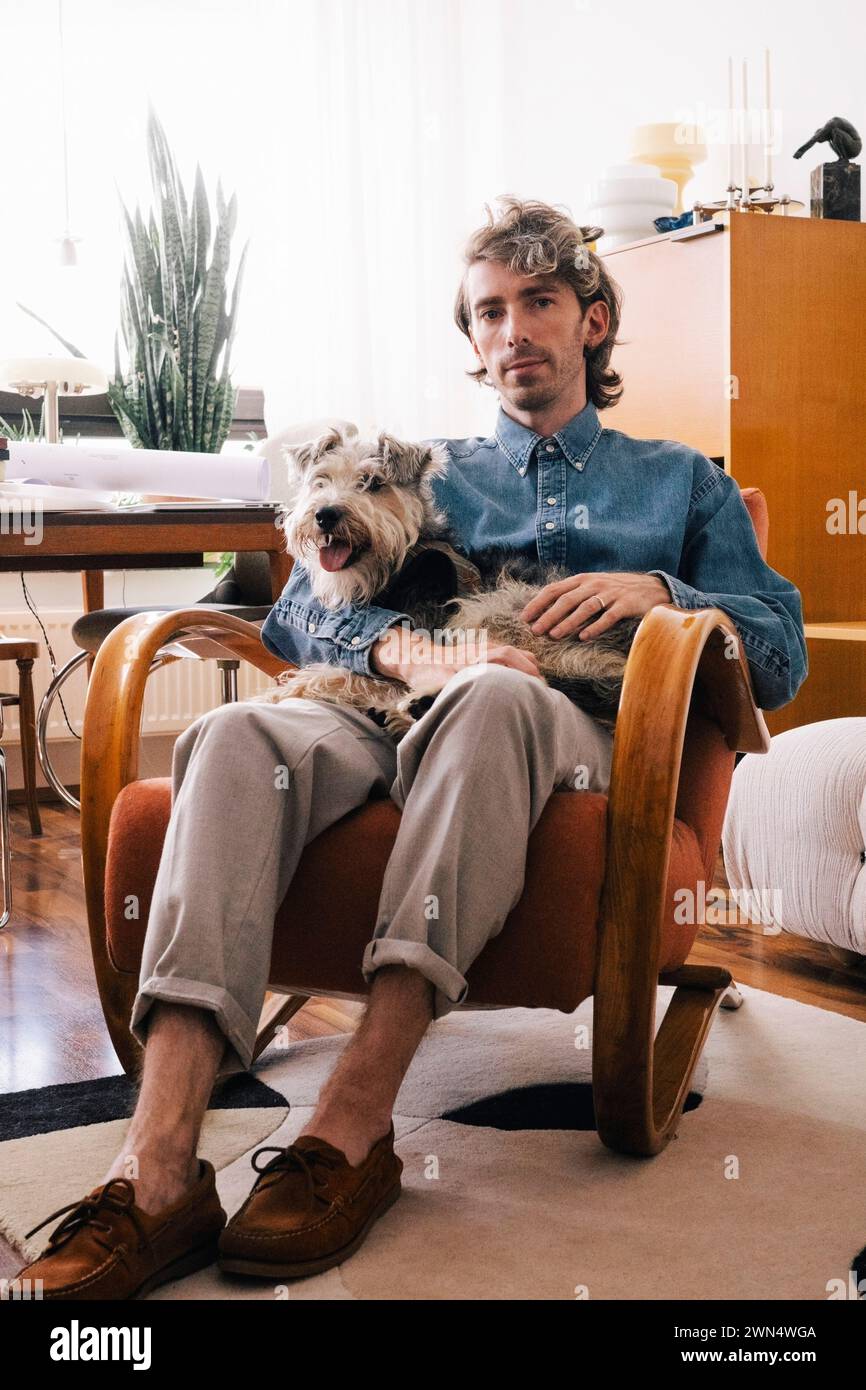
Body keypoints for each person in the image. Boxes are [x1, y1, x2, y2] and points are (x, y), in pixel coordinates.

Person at [15, 196, 807, 1299]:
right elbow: (296, 619)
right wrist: (402, 652)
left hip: (563, 731)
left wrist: (661, 590)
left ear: (590, 320)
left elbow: (776, 652)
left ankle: (351, 1125)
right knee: (235, 732)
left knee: (490, 702)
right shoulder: (423, 472)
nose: (512, 329)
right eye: (488, 311)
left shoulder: (680, 481)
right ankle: (156, 1168)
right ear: (471, 339)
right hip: (381, 713)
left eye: (539, 301)